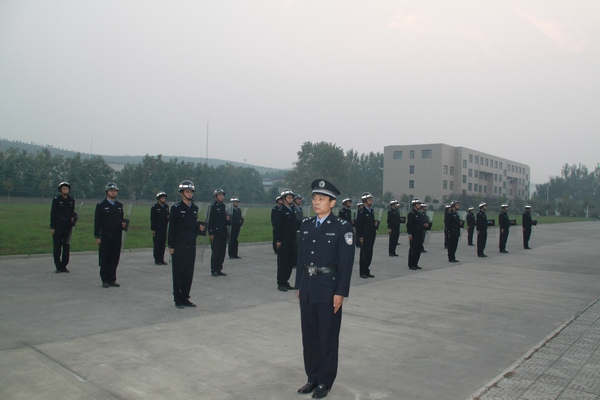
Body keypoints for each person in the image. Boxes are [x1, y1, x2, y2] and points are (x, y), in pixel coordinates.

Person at [295, 178, 355, 399]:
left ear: (332, 202)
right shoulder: (306, 225)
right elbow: (301, 258)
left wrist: (340, 292)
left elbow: (346, 263)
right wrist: (300, 285)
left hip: (329, 289)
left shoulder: (342, 227)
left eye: (321, 199)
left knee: (327, 337)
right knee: (309, 336)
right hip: (308, 288)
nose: (316, 202)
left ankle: (325, 381)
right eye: (314, 198)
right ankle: (312, 377)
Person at [168, 180, 206, 309]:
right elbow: (172, 228)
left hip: (191, 245)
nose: (190, 194)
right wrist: (171, 245)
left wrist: (199, 228)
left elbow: (192, 226)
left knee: (188, 273)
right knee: (178, 273)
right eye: (187, 192)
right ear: (182, 193)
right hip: (179, 245)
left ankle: (185, 297)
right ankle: (177, 299)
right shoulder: (176, 208)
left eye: (191, 192)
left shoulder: (194, 209)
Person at [94, 182, 126, 288]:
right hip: (106, 236)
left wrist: (123, 224)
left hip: (117, 236)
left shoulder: (119, 205)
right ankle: (105, 279)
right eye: (111, 191)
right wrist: (97, 236)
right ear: (107, 192)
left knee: (114, 258)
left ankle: (112, 278)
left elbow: (121, 219)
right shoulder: (101, 205)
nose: (113, 193)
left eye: (115, 191)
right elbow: (97, 222)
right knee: (105, 258)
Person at [273, 189, 298, 291]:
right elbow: (277, 227)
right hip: (283, 241)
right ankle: (281, 283)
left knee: (289, 262)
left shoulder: (292, 209)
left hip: (292, 240)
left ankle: (286, 281)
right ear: (284, 199)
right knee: (283, 263)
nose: (291, 199)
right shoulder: (281, 211)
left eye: (292, 197)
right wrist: (278, 240)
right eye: (289, 198)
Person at [50, 181, 76, 273]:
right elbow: (53, 213)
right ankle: (58, 266)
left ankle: (64, 266)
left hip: (67, 227)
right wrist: (52, 227)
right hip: (58, 226)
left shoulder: (71, 200)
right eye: (63, 189)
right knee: (57, 247)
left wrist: (74, 217)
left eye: (67, 189)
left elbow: (72, 212)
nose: (65, 190)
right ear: (60, 190)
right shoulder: (56, 200)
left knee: (66, 246)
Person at [355, 192, 378, 278]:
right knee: (364, 254)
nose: (371, 201)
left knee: (369, 254)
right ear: (365, 201)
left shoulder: (371, 210)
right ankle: (362, 272)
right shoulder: (362, 212)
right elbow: (359, 225)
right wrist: (360, 236)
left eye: (371, 199)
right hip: (364, 236)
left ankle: (367, 270)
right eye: (369, 199)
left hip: (371, 235)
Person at [208, 188, 229, 276]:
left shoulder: (223, 206)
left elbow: (224, 221)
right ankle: (214, 270)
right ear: (216, 196)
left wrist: (227, 219)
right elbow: (210, 220)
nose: (221, 197)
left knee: (222, 252)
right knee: (215, 252)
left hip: (223, 232)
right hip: (216, 233)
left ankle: (219, 268)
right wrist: (211, 233)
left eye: (222, 195)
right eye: (220, 195)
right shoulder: (213, 206)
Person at [406, 198, 428, 270]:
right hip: (414, 234)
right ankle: (411, 264)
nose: (419, 205)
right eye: (418, 204)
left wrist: (424, 225)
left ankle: (415, 263)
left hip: (420, 234)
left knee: (418, 250)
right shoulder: (411, 214)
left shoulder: (420, 213)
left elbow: (421, 223)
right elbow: (409, 225)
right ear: (414, 205)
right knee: (413, 249)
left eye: (419, 204)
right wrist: (409, 234)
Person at [150, 191, 169, 265]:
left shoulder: (166, 207)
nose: (163, 199)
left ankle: (161, 259)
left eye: (164, 198)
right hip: (157, 229)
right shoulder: (154, 207)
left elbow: (167, 217)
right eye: (162, 198)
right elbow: (152, 219)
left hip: (164, 228)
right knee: (157, 244)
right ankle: (157, 259)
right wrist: (153, 229)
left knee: (162, 244)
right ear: (159, 199)